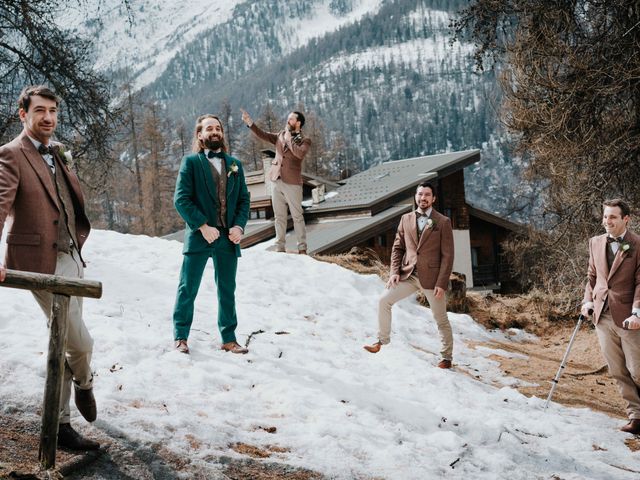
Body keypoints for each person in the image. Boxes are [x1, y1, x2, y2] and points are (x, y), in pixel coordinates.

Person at [0, 85, 98, 450]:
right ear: (22, 114)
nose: (48, 118)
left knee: (64, 340)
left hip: (72, 257)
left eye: (53, 110)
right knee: (78, 341)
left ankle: (60, 426)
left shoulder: (58, 152)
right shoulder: (11, 155)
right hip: (39, 263)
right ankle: (85, 384)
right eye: (40, 110)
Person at [172, 114, 251, 355]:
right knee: (188, 287)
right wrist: (203, 227)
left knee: (227, 289)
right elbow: (181, 200)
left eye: (218, 128)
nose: (215, 131)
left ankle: (229, 338)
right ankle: (181, 337)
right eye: (209, 128)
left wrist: (238, 227)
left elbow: (244, 200)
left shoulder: (235, 164)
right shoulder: (191, 163)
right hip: (200, 235)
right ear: (200, 135)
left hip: (228, 238)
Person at [364, 181, 455, 369]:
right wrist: (394, 272)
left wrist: (442, 282)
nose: (423, 198)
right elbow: (397, 248)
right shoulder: (405, 219)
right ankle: (381, 342)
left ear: (433, 198)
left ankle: (446, 357)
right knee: (384, 301)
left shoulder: (443, 222)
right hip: (408, 275)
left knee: (441, 319)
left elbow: (448, 255)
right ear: (415, 196)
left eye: (427, 195)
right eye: (420, 194)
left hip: (432, 279)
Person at [582, 198, 640, 434]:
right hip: (602, 315)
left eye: (613, 217)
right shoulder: (595, 242)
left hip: (629, 317)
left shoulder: (637, 244)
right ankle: (636, 415)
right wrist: (587, 301)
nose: (607, 221)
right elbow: (592, 276)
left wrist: (637, 311)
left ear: (626, 219)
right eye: (605, 216)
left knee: (637, 369)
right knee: (617, 370)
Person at [240, 108, 310, 254]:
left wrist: (289, 137)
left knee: (297, 216)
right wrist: (250, 123)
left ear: (298, 123)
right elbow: (263, 135)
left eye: (291, 119)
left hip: (293, 183)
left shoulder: (304, 140)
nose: (287, 121)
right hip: (276, 179)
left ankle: (302, 247)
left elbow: (298, 154)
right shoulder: (280, 135)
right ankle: (280, 247)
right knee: (279, 217)